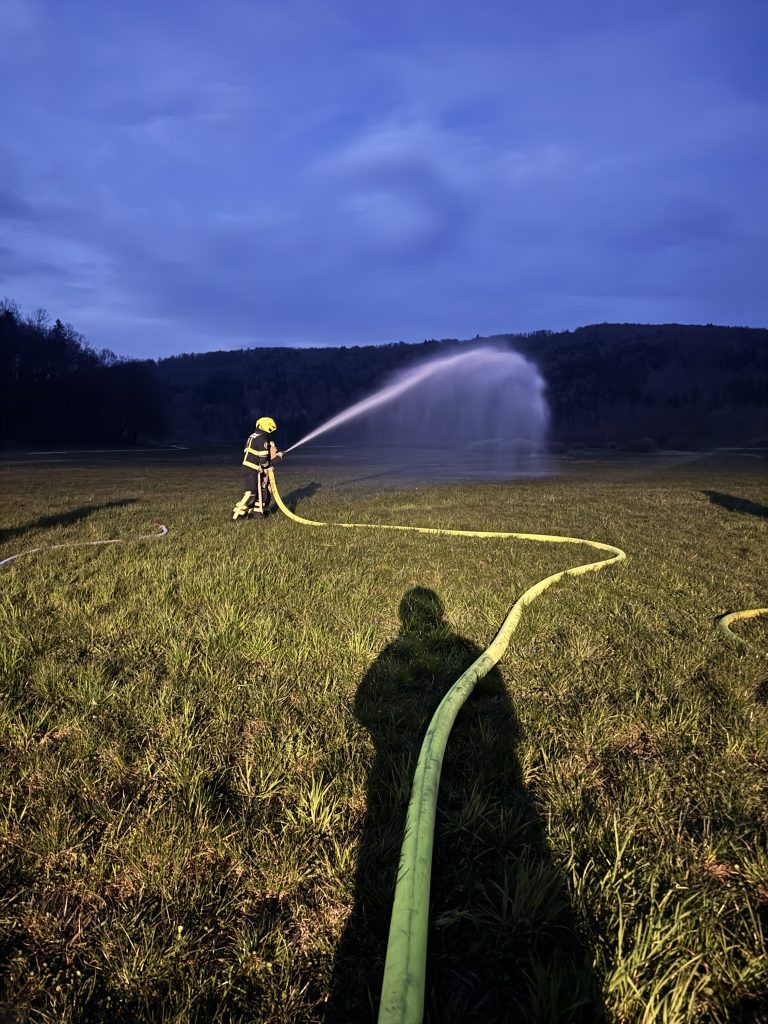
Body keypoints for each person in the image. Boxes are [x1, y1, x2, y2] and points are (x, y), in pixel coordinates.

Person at [231, 416, 284, 521]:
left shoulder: (254, 436)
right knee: (250, 494)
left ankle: (256, 513)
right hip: (252, 469)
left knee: (258, 492)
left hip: (250, 468)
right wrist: (278, 457)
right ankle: (236, 515)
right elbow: (264, 462)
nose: (270, 433)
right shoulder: (262, 439)